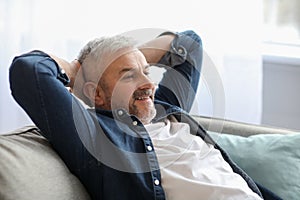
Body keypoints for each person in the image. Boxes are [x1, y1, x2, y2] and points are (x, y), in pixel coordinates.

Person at [9, 30, 280, 200]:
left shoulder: (165, 109)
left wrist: (130, 55)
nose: (149, 84)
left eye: (147, 71)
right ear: (98, 95)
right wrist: (78, 68)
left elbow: (189, 44)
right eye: (128, 75)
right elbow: (27, 70)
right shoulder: (95, 135)